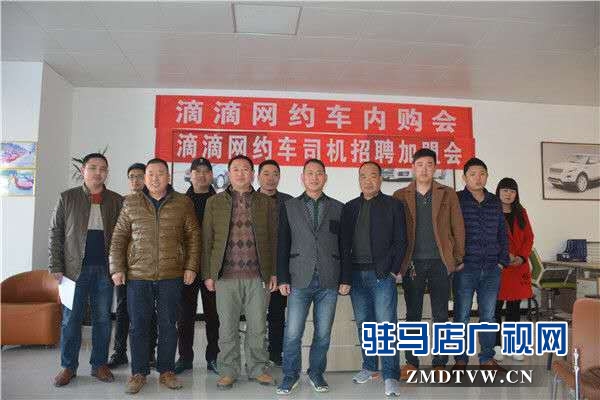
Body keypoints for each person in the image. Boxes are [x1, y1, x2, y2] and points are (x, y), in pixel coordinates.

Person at [110, 158, 200, 394]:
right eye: (150, 174)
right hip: (138, 275)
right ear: (145, 177)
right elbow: (119, 237)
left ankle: (167, 371)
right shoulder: (130, 202)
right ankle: (138, 373)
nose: (155, 178)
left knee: (168, 324)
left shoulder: (183, 202)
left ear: (168, 177)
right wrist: (117, 268)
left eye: (160, 173)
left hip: (171, 274)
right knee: (139, 325)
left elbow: (193, 236)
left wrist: (191, 267)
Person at [202, 155, 278, 390]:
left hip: (258, 275)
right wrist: (208, 274)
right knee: (227, 327)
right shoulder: (214, 202)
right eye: (236, 169)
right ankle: (228, 370)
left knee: (258, 326)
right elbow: (207, 240)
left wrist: (274, 272)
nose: (241, 173)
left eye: (246, 169)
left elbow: (274, 239)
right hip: (225, 276)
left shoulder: (266, 203)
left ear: (252, 174)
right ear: (228, 173)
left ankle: (258, 368)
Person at [49, 153, 123, 387]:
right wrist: (56, 265)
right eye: (93, 167)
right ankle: (68, 366)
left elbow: (122, 237)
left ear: (107, 173)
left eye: (103, 168)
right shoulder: (67, 197)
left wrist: (119, 267)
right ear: (83, 171)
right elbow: (56, 233)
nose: (98, 172)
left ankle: (99, 364)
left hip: (104, 270)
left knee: (103, 320)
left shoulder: (116, 200)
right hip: (73, 271)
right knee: (71, 320)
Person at [392, 148, 465, 380]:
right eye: (420, 164)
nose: (424, 169)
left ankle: (440, 363)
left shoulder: (447, 194)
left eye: (429, 164)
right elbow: (395, 232)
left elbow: (458, 227)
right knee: (412, 315)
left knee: (441, 315)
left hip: (440, 263)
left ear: (435, 168)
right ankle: (411, 363)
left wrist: (457, 257)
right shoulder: (400, 195)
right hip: (412, 263)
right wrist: (397, 263)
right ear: (413, 167)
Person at [276, 159, 345, 395]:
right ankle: (290, 375)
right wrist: (283, 278)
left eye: (319, 173)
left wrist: (344, 278)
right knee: (293, 333)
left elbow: (343, 246)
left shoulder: (338, 208)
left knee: (323, 333)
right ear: (302, 178)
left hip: (329, 279)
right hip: (299, 279)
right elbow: (282, 244)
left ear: (325, 177)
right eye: (310, 173)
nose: (314, 177)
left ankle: (316, 373)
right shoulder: (289, 207)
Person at [341, 161, 406, 396]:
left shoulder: (393, 205)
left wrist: (393, 270)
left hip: (382, 275)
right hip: (356, 276)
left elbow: (401, 241)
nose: (368, 180)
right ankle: (369, 367)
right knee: (365, 324)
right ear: (358, 180)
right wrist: (345, 277)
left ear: (380, 179)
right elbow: (343, 245)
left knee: (386, 325)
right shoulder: (350, 207)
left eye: (372, 176)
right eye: (363, 176)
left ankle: (391, 375)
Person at [452, 157, 510, 371]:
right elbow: (449, 232)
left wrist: (502, 262)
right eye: (473, 174)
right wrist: (456, 261)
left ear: (487, 176)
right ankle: (460, 360)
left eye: (482, 174)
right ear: (464, 177)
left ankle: (486, 358)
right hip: (465, 268)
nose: (478, 178)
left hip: (492, 268)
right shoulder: (456, 199)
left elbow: (502, 233)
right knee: (462, 316)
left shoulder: (494, 201)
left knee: (488, 316)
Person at [108, 163, 158, 369]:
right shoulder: (124, 202)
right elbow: (118, 238)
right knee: (122, 310)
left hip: (146, 269)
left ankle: (149, 353)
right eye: (132, 177)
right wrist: (117, 266)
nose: (135, 180)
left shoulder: (153, 203)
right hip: (125, 268)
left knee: (149, 311)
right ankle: (119, 352)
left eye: (139, 176)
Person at [175, 157, 219, 375]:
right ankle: (185, 358)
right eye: (197, 171)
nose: (201, 175)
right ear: (190, 175)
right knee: (185, 316)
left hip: (213, 268)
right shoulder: (180, 202)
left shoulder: (221, 202)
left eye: (206, 171)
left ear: (212, 175)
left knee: (214, 316)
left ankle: (214, 357)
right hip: (187, 268)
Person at [493, 177, 534, 363]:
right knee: (495, 309)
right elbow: (488, 238)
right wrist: (504, 255)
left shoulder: (521, 212)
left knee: (514, 309)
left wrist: (522, 257)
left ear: (516, 194)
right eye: (505, 190)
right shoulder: (492, 211)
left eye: (512, 191)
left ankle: (514, 345)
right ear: (498, 192)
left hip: (518, 267)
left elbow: (529, 237)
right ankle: (496, 346)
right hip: (499, 266)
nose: (508, 194)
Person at [257, 159, 293, 367]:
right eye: (266, 173)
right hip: (254, 269)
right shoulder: (249, 200)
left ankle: (275, 354)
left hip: (281, 268)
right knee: (255, 315)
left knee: (277, 314)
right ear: (258, 176)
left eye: (275, 174)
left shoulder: (289, 203)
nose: (271, 178)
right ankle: (256, 355)